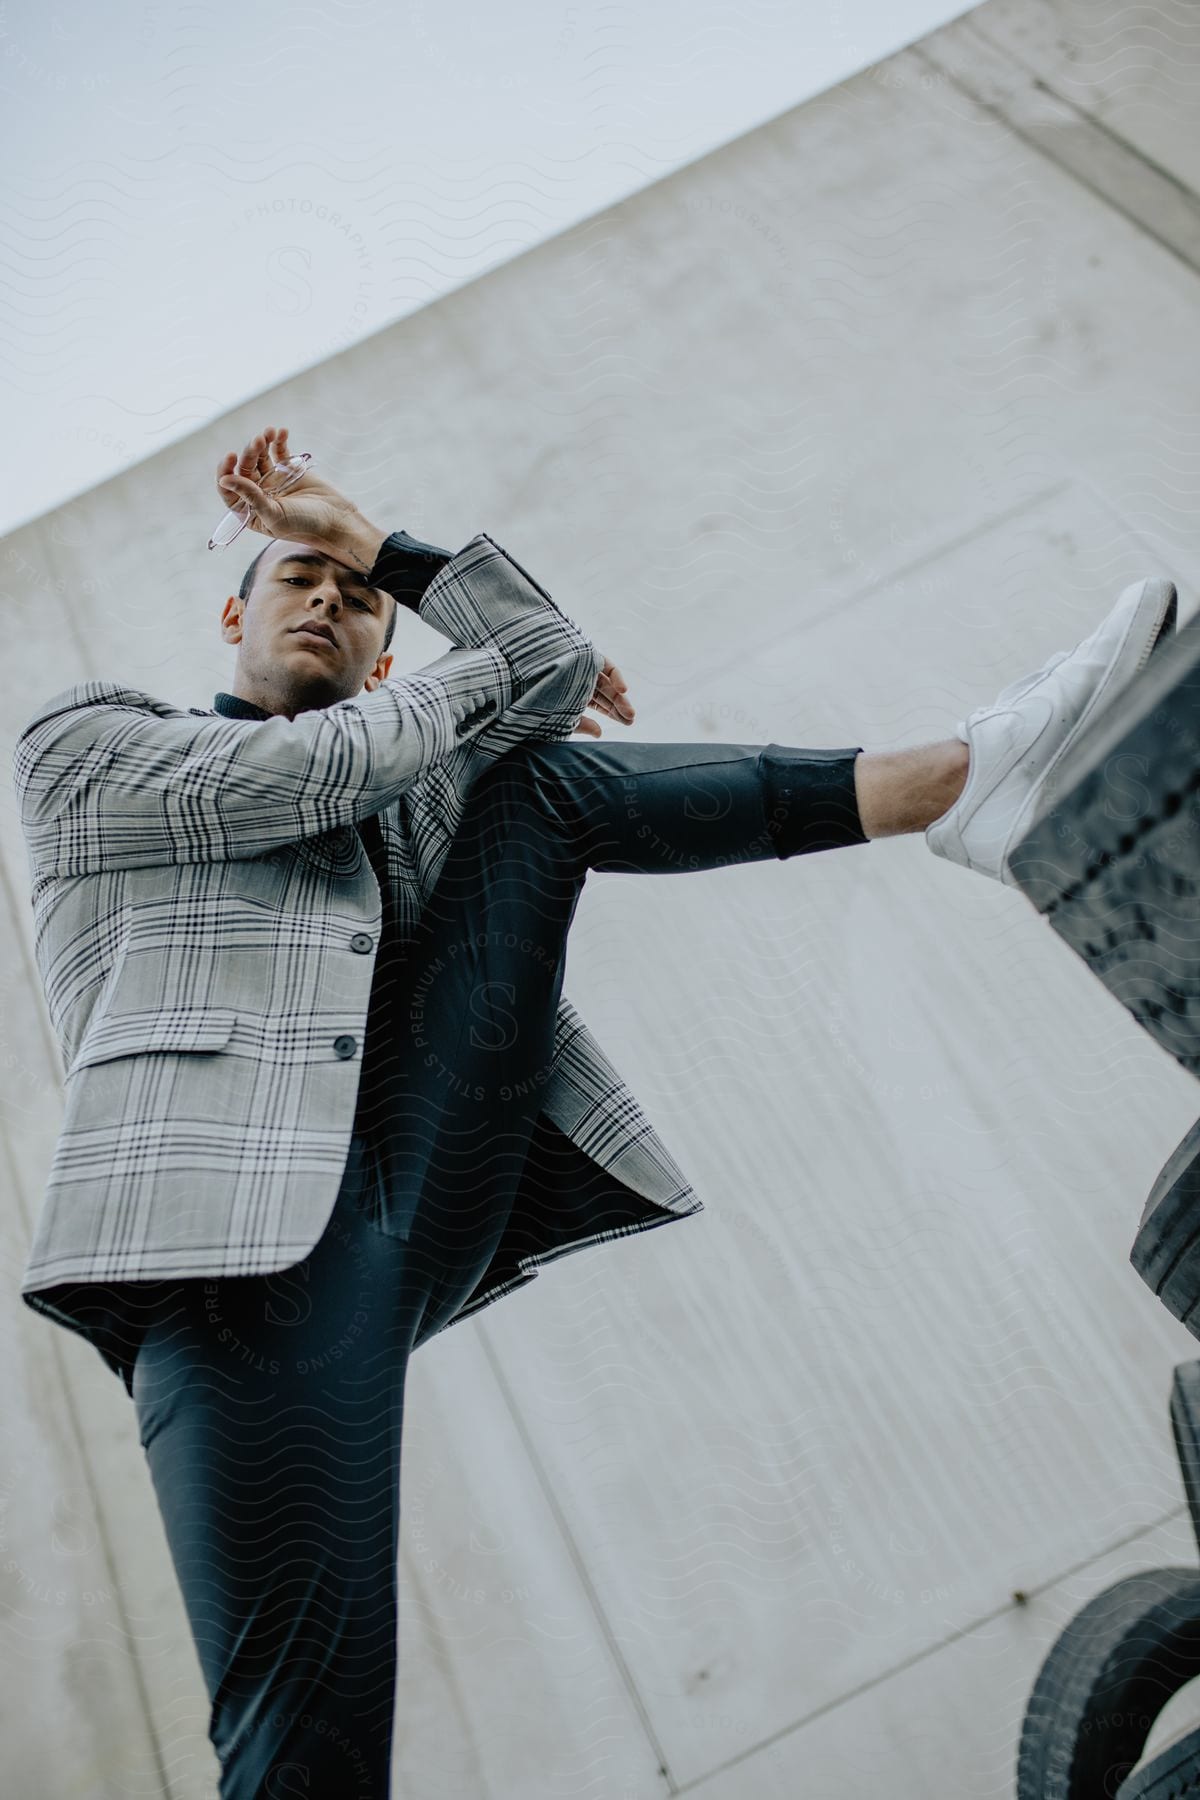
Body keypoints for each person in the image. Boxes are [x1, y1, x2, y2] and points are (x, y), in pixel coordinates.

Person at [10, 425, 1177, 1797]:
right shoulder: (88, 749)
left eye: (358, 594)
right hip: (228, 1277)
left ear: (387, 649)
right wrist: (476, 680)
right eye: (296, 579)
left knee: (543, 788)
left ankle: (965, 781)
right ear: (232, 611)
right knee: (302, 1756)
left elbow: (551, 665)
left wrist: (387, 541)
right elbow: (303, 776)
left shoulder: (404, 756)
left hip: (416, 1190)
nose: (328, 597)